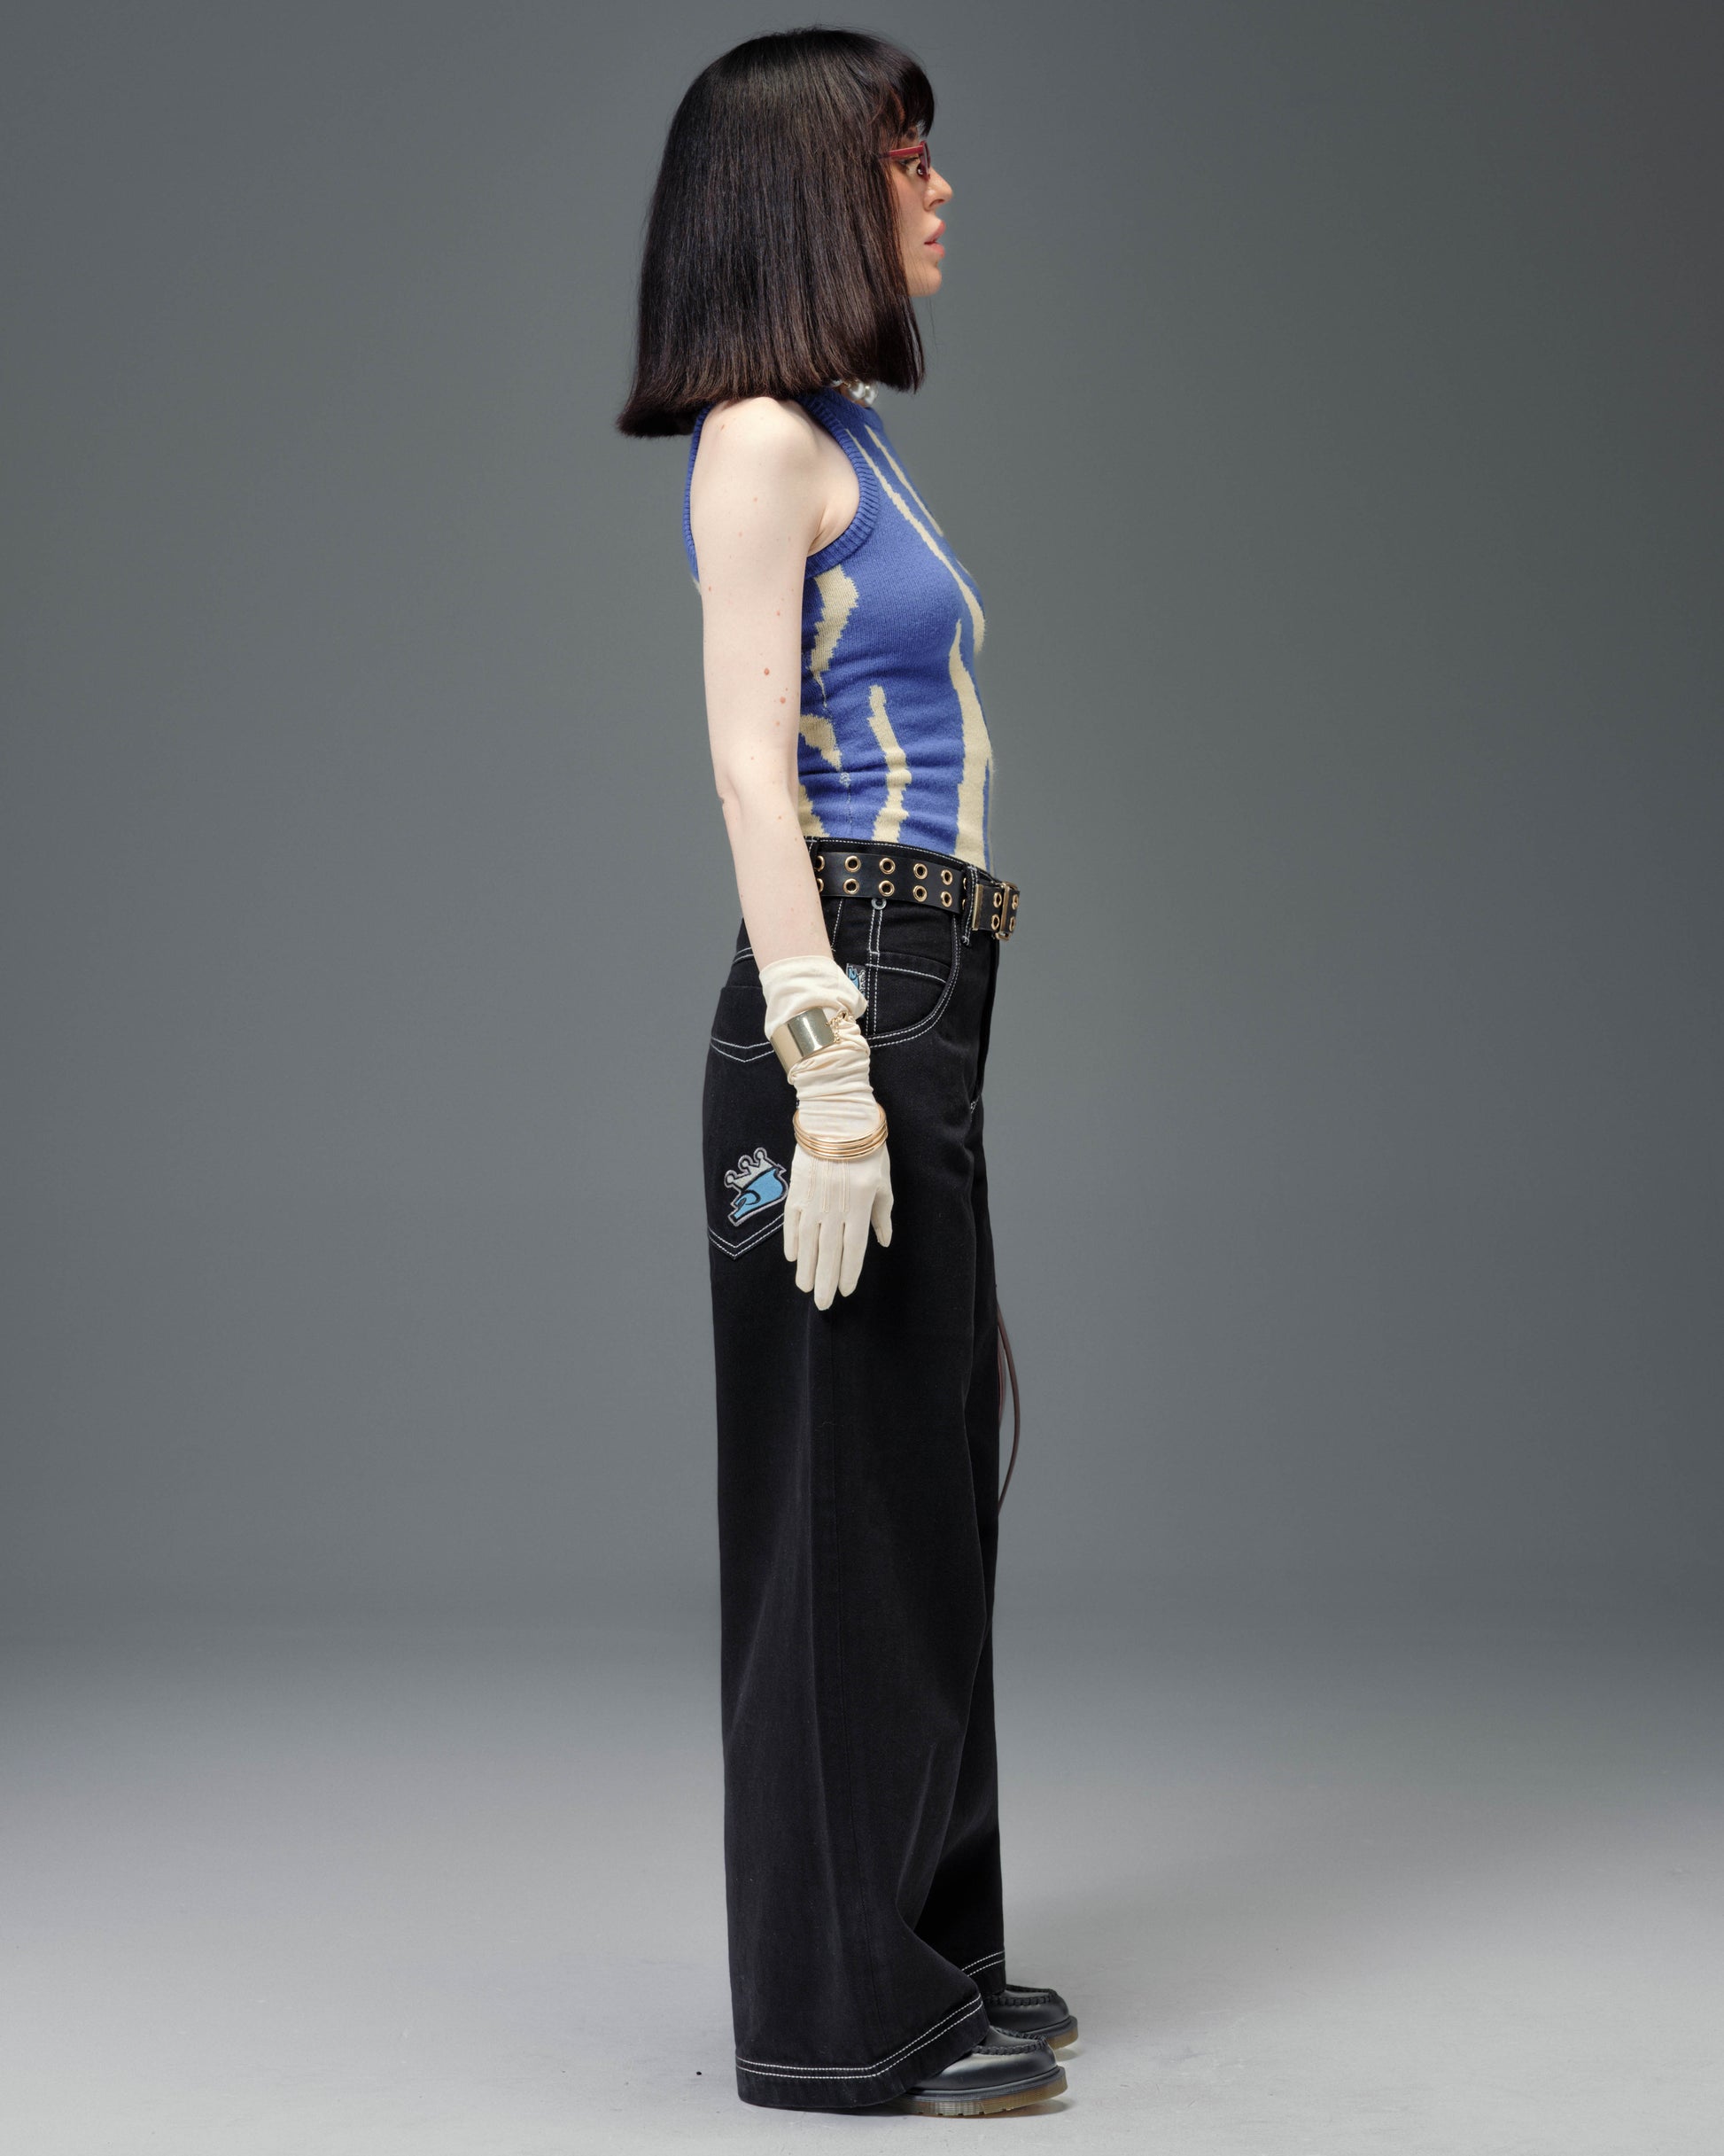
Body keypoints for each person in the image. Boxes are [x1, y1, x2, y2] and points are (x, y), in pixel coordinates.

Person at [618, 28, 1074, 2119]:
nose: (937, 187)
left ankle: (933, 1943)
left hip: (927, 988)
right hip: (852, 993)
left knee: (926, 1478)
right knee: (838, 1515)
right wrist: (823, 1065)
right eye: (904, 158)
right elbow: (744, 763)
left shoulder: (844, 434)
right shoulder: (754, 447)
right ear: (810, 194)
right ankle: (834, 2013)